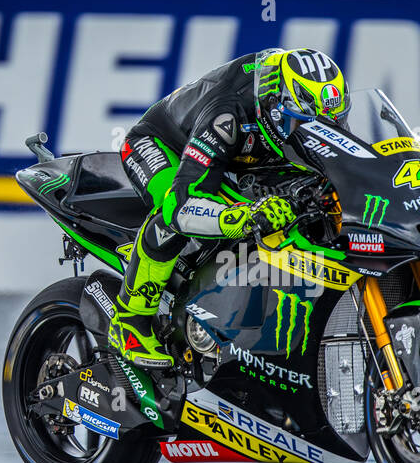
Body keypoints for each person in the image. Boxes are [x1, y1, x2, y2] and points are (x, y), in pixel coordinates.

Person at [108, 46, 350, 368]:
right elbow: (181, 206)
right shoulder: (228, 113)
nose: (317, 133)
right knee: (173, 215)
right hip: (161, 145)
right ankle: (129, 322)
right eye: (305, 124)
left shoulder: (297, 108)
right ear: (276, 106)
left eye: (332, 122)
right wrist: (244, 216)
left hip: (236, 157)